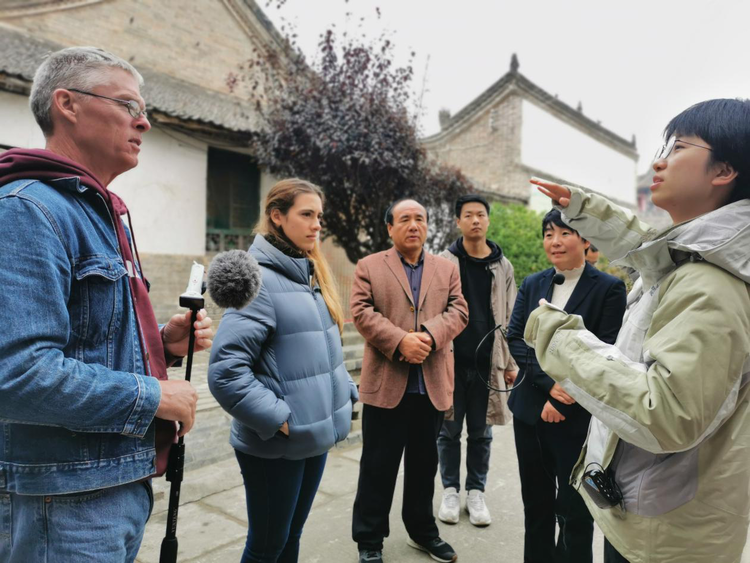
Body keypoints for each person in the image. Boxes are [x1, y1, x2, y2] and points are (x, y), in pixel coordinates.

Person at [0, 47, 212, 563]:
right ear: (67, 104)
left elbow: (84, 339)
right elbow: (18, 374)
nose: (144, 122)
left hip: (109, 484)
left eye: (145, 111)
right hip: (63, 502)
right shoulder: (28, 210)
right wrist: (154, 395)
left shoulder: (96, 209)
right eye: (127, 105)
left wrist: (159, 343)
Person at [525, 98, 750, 563]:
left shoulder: (712, 283)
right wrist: (585, 209)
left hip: (664, 537)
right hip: (649, 513)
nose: (659, 161)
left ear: (724, 170)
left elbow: (666, 411)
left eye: (679, 147)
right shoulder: (695, 262)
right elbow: (649, 253)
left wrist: (559, 336)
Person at [208, 178, 358, 563]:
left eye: (319, 216)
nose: (316, 225)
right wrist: (278, 419)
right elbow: (226, 371)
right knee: (266, 548)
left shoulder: (310, 274)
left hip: (313, 438)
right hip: (276, 446)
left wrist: (343, 391)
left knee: (290, 539)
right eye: (306, 214)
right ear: (277, 217)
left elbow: (319, 353)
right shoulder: (258, 281)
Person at [350, 199, 468, 563]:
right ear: (390, 227)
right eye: (405, 219)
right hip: (387, 384)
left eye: (420, 218)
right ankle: (370, 540)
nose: (413, 225)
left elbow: (460, 310)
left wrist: (430, 337)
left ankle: (422, 532)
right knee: (377, 467)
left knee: (423, 466)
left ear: (428, 226)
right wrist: (400, 340)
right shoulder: (369, 265)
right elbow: (360, 311)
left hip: (430, 387)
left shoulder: (446, 268)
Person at [506, 209, 626, 563]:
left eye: (564, 233)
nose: (554, 241)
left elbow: (606, 351)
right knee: (537, 506)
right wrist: (546, 386)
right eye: (548, 233)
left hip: (577, 419)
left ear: (586, 239)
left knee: (574, 512)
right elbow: (516, 339)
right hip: (529, 411)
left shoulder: (608, 288)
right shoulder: (533, 284)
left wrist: (565, 394)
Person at [437, 193, 518, 527]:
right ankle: (451, 491)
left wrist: (511, 362)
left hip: (488, 363)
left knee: (482, 433)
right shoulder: (444, 261)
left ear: (488, 220)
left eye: (480, 214)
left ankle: (476, 491)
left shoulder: (503, 266)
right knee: (448, 431)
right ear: (458, 221)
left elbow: (512, 315)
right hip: (450, 363)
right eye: (468, 215)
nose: (475, 220)